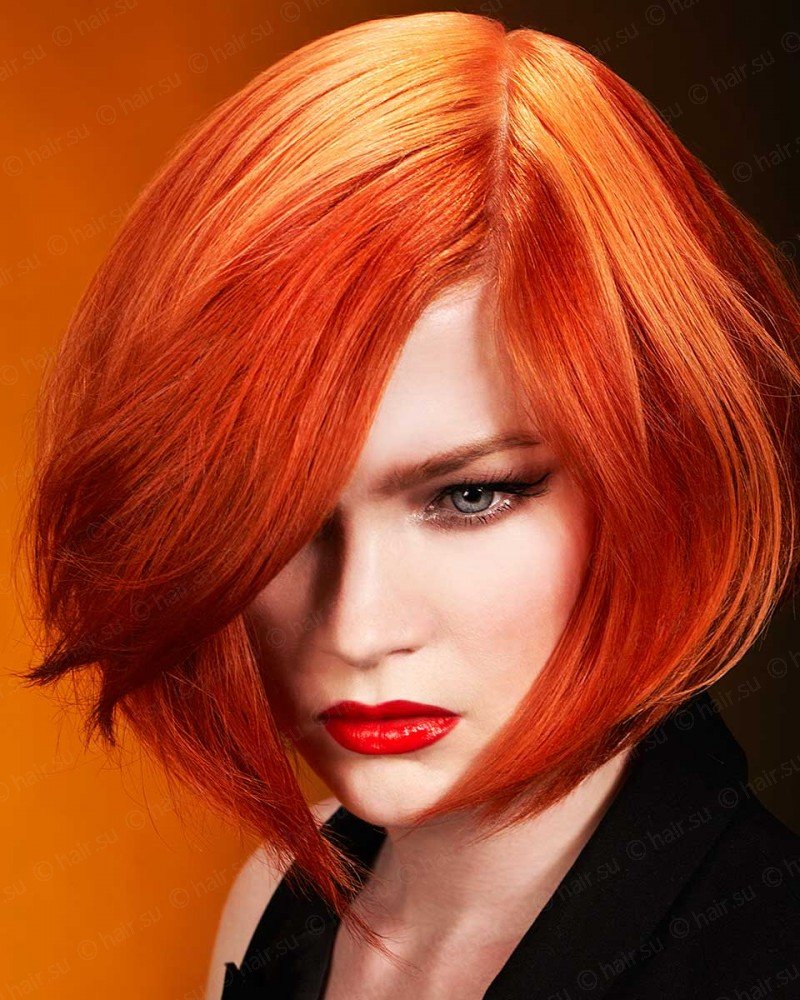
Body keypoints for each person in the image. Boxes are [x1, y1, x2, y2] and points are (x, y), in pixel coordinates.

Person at [16, 11, 800, 1000]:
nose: (358, 629)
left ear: (658, 470)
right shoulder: (274, 904)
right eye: (278, 515)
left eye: (468, 495)